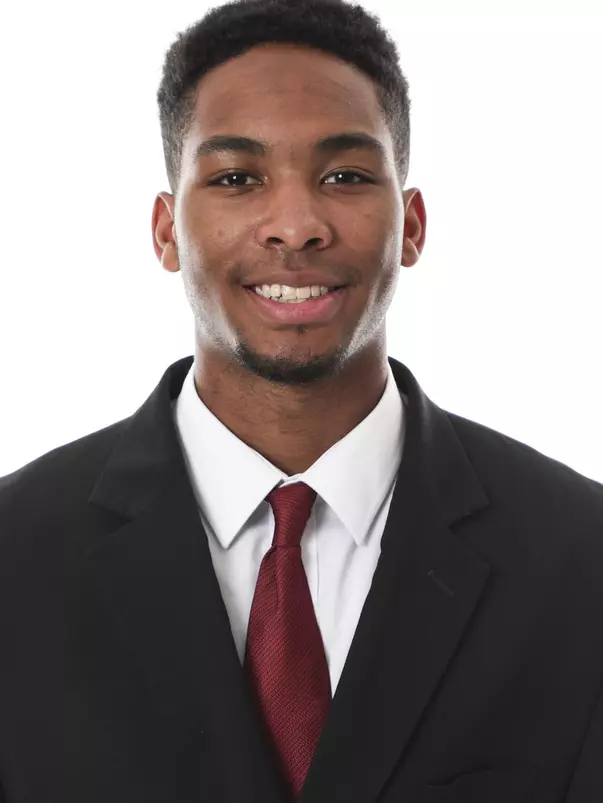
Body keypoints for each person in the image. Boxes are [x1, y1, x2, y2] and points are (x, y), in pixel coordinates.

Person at [0, 0, 602, 800]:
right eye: (237, 178)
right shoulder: (15, 561)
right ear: (167, 228)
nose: (295, 225)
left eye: (345, 175)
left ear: (411, 224)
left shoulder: (579, 559)